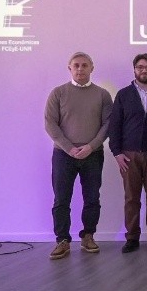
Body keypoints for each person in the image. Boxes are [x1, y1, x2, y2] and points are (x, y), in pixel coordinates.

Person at [45, 51, 113, 260]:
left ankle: (88, 236)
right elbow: (50, 124)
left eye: (85, 65)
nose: (80, 69)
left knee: (92, 198)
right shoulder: (58, 93)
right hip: (63, 155)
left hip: (92, 155)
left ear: (92, 68)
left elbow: (108, 124)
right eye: (76, 65)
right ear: (70, 68)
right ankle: (62, 240)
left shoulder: (102, 95)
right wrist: (69, 148)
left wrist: (90, 147)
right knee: (61, 199)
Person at [108, 53, 147, 253]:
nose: (144, 70)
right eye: (140, 67)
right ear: (134, 69)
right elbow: (114, 126)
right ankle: (132, 237)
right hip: (128, 155)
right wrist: (116, 152)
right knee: (131, 198)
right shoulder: (123, 94)